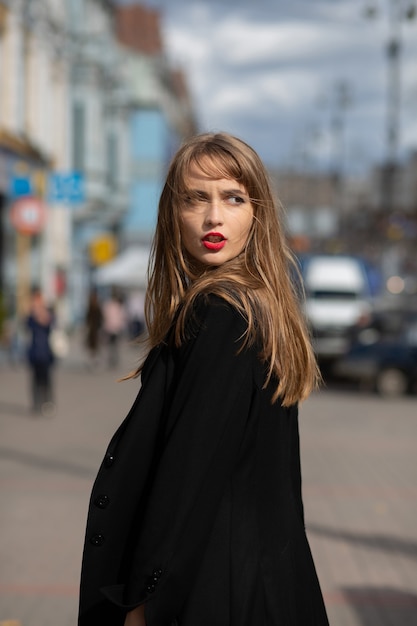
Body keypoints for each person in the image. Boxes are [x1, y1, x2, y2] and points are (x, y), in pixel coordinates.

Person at [78, 132, 329, 626]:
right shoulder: (260, 310)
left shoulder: (221, 315)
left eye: (233, 198)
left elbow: (186, 480)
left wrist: (141, 604)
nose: (214, 216)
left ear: (257, 214)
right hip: (258, 587)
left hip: (211, 596)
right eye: (196, 198)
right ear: (174, 213)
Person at [26, 287, 55, 415]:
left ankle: (48, 402)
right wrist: (35, 313)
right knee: (35, 380)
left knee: (47, 379)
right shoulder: (30, 317)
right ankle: (36, 403)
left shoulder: (48, 314)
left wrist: (42, 313)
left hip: (46, 353)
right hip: (34, 353)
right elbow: (28, 326)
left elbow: (50, 324)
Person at [102, 288, 127, 368]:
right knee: (114, 345)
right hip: (115, 328)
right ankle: (114, 359)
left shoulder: (108, 305)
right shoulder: (118, 305)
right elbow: (122, 316)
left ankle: (112, 359)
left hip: (110, 328)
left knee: (111, 345)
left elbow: (105, 316)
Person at [85, 288, 103, 368]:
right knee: (93, 346)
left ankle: (94, 361)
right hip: (93, 329)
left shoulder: (95, 307)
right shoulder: (92, 307)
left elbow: (100, 318)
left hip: (95, 329)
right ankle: (93, 361)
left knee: (95, 346)